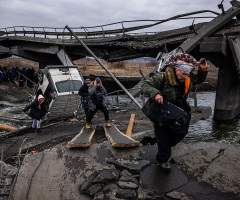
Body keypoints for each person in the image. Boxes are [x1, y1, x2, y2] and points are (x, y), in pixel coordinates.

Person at [141, 53, 208, 172]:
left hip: (178, 110)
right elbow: (145, 85)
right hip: (162, 110)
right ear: (176, 70)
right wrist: (155, 94)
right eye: (183, 74)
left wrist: (203, 70)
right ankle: (163, 160)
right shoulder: (163, 76)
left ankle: (164, 144)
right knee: (163, 135)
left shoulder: (188, 78)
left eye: (188, 74)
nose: (185, 77)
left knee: (182, 131)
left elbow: (199, 79)